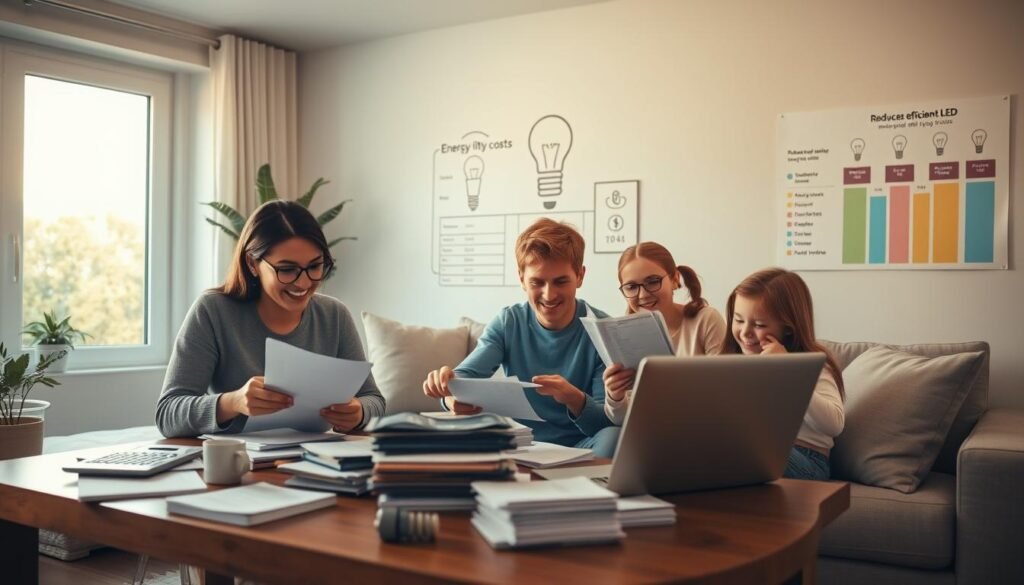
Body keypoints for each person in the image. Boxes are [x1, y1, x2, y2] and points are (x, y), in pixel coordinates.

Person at [156, 200, 384, 437]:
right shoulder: (213, 311)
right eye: (287, 270)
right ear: (252, 264)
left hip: (317, 459)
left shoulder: (334, 315)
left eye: (315, 266)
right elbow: (168, 414)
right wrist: (233, 402)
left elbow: (374, 400)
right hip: (238, 462)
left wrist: (359, 412)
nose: (303, 283)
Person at [421, 218, 620, 458]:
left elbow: (605, 423)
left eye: (561, 281)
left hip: (582, 446)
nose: (549, 294)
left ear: (580, 275)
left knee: (614, 437)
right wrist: (449, 394)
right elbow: (464, 378)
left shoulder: (603, 330)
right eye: (537, 282)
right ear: (522, 279)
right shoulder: (509, 322)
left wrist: (573, 398)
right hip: (519, 444)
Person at [721, 267, 844, 480]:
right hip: (758, 452)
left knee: (736, 447)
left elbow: (834, 424)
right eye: (739, 320)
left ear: (788, 328)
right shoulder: (735, 363)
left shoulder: (811, 364)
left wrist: (789, 371)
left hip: (807, 460)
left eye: (759, 324)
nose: (745, 332)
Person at [602, 242, 727, 424]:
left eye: (653, 282)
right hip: (650, 436)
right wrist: (615, 396)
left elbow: (725, 394)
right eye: (631, 287)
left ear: (675, 279)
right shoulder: (621, 336)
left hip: (703, 428)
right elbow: (620, 420)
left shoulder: (705, 319)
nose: (643, 295)